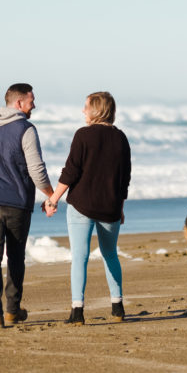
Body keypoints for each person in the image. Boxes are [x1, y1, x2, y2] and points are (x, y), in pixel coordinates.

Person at [43, 91, 132, 325]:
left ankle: (77, 311)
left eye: (86, 107)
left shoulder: (83, 135)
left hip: (82, 205)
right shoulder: (121, 138)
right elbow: (124, 179)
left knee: (79, 258)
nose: (83, 111)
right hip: (111, 207)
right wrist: (120, 207)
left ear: (97, 109)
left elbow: (71, 171)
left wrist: (53, 199)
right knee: (110, 254)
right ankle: (118, 307)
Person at [0, 83, 56, 329]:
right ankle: (11, 310)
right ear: (19, 103)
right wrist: (51, 195)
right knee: (16, 255)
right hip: (16, 202)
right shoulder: (26, 129)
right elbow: (36, 169)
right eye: (32, 101)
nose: (34, 105)